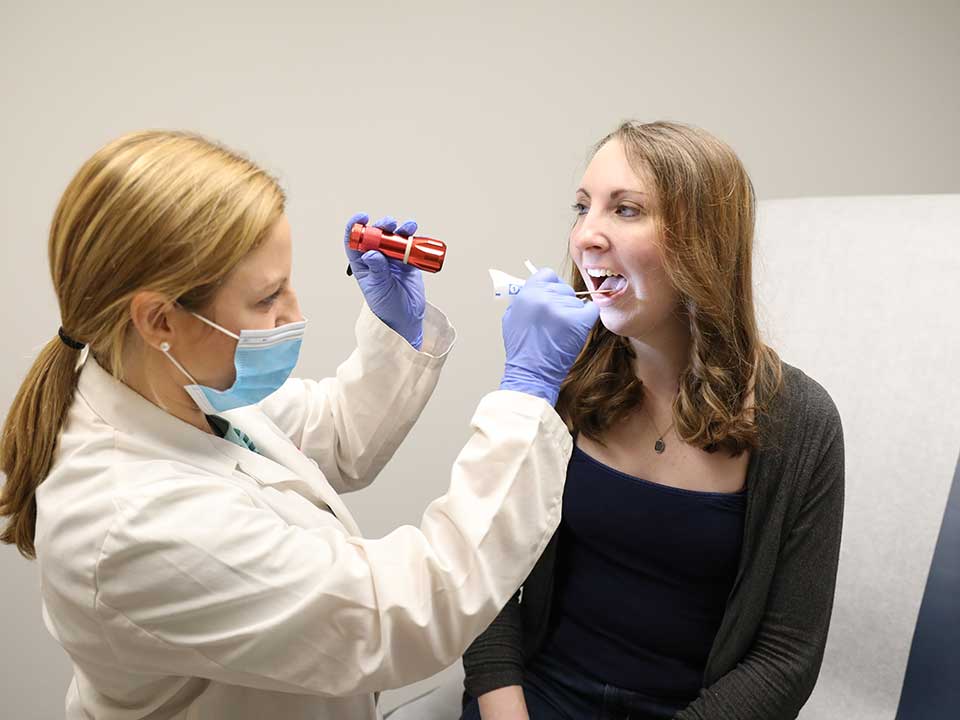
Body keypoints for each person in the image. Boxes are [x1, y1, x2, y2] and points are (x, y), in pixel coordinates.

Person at [0, 129, 599, 720]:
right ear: (159, 319)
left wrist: (400, 331)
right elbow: (398, 613)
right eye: (267, 298)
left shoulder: (159, 381)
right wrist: (526, 395)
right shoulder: (131, 524)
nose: (295, 313)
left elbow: (332, 438)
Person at [461, 121, 845, 720]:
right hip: (536, 702)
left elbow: (785, 658)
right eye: (583, 207)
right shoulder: (558, 380)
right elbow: (481, 575)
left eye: (627, 210)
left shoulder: (801, 422)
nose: (585, 236)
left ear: (704, 241)